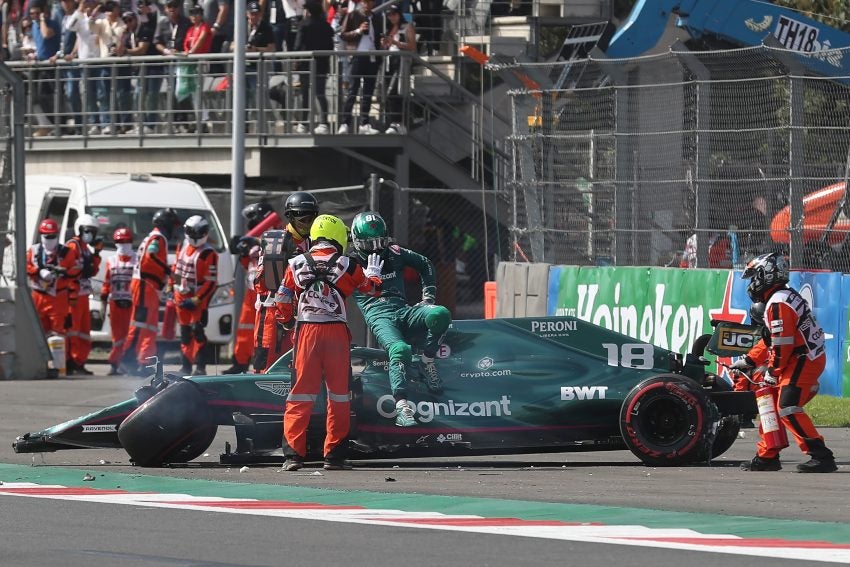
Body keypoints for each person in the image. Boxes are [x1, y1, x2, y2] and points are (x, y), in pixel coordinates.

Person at [276, 214, 382, 471]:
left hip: (307, 332)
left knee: (300, 393)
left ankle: (293, 456)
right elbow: (372, 290)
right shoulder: (349, 264)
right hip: (335, 333)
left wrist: (287, 322)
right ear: (339, 237)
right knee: (339, 395)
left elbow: (281, 300)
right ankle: (333, 456)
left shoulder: (295, 263)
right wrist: (375, 275)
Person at [731, 252, 837, 473]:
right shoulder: (780, 298)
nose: (752, 284)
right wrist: (749, 360)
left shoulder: (778, 303)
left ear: (765, 275)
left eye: (754, 277)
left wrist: (773, 370)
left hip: (802, 359)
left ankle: (821, 455)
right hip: (798, 357)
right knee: (768, 401)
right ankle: (767, 455)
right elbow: (770, 339)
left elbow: (782, 344)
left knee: (787, 407)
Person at [349, 211, 452, 426]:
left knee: (440, 314)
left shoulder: (395, 252)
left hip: (403, 309)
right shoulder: (349, 262)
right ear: (357, 242)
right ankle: (401, 407)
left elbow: (425, 264)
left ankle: (427, 360)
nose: (377, 248)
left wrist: (428, 297)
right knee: (400, 349)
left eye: (380, 241)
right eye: (370, 244)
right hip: (378, 314)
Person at [252, 192, 317, 372]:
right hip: (272, 314)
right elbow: (261, 284)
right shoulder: (276, 240)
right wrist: (282, 260)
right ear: (291, 217)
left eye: (312, 218)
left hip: (303, 315)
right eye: (303, 219)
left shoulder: (315, 243)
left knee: (298, 367)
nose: (308, 224)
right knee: (266, 367)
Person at [121, 207, 179, 374]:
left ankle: (143, 361)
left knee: (149, 326)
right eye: (172, 225)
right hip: (145, 285)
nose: (174, 230)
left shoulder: (155, 237)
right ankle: (128, 360)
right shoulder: (157, 238)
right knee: (140, 325)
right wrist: (168, 271)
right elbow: (150, 257)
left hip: (149, 287)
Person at [172, 215, 219, 375]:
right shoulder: (182, 246)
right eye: (193, 231)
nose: (196, 235)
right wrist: (173, 287)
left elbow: (211, 282)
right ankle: (185, 366)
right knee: (185, 334)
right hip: (181, 296)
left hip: (198, 299)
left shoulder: (208, 253)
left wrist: (197, 298)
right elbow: (176, 268)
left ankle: (200, 367)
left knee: (197, 331)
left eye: (199, 232)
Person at [64, 213, 103, 375]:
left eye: (93, 232)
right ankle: (70, 361)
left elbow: (91, 271)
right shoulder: (73, 246)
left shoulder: (86, 249)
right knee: (72, 330)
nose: (90, 234)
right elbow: (69, 271)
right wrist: (72, 294)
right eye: (88, 231)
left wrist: (96, 254)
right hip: (74, 296)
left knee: (83, 331)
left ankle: (79, 361)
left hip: (83, 294)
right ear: (79, 230)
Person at [25, 218, 76, 337]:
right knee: (37, 332)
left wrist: (62, 273)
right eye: (47, 236)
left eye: (53, 236)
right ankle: (38, 356)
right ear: (41, 235)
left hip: (58, 297)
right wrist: (38, 271)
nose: (50, 239)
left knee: (58, 334)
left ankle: (57, 356)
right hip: (38, 295)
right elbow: (25, 266)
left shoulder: (67, 252)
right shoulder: (33, 250)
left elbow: (74, 272)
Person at [338, 0, 382, 135]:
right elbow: (343, 34)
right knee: (353, 90)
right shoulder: (353, 15)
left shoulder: (376, 17)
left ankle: (365, 123)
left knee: (368, 92)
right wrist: (358, 30)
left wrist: (382, 42)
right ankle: (345, 123)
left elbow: (377, 36)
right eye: (365, 1)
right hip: (357, 56)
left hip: (372, 56)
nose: (367, 4)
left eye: (370, 1)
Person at [223, 228, 260, 374]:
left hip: (264, 294)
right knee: (244, 330)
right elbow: (247, 265)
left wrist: (256, 242)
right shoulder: (253, 246)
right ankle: (240, 363)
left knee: (263, 333)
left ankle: (260, 365)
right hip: (251, 293)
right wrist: (243, 251)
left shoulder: (274, 238)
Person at [292, 0, 332, 134]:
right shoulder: (326, 26)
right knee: (320, 93)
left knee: (305, 93)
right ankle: (324, 123)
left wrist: (295, 60)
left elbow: (297, 45)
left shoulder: (303, 25)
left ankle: (303, 123)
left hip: (305, 63)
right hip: (322, 63)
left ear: (308, 11)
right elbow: (330, 46)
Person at [101, 227, 137, 375]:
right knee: (117, 337)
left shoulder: (137, 259)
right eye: (120, 241)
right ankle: (115, 364)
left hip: (132, 303)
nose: (123, 244)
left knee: (131, 335)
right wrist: (104, 300)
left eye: (126, 241)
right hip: (116, 303)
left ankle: (129, 363)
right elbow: (107, 281)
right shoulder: (111, 260)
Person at [91, 0, 125, 135]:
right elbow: (91, 27)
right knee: (103, 94)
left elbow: (124, 38)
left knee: (120, 94)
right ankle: (106, 123)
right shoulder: (101, 22)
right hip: (105, 62)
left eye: (112, 8)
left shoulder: (123, 23)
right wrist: (95, 13)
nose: (109, 11)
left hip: (119, 62)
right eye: (107, 8)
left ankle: (122, 123)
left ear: (117, 9)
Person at [156, 0, 191, 131]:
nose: (172, 9)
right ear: (165, 9)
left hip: (182, 61)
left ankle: (185, 120)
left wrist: (182, 51)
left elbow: (190, 39)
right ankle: (175, 120)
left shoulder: (186, 22)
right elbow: (157, 42)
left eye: (175, 6)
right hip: (169, 62)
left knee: (181, 90)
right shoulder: (162, 23)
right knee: (172, 90)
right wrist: (166, 51)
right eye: (169, 6)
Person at [381, 3, 414, 134]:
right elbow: (388, 46)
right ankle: (393, 122)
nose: (391, 17)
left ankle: (397, 122)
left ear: (399, 14)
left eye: (394, 14)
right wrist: (385, 44)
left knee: (393, 91)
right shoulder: (390, 28)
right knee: (387, 91)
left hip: (400, 61)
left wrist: (396, 43)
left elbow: (412, 46)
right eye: (389, 15)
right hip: (389, 61)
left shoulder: (407, 27)